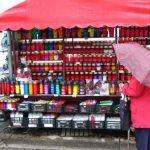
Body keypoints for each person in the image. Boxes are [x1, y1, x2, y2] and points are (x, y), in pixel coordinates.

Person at [122, 76, 150, 150]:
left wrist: (125, 86)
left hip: (142, 117)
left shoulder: (141, 74)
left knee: (142, 146)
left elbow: (135, 91)